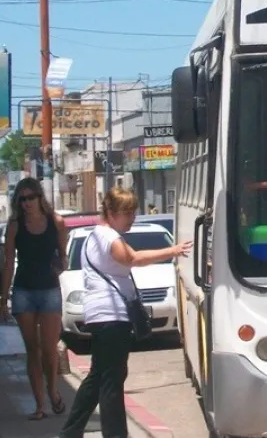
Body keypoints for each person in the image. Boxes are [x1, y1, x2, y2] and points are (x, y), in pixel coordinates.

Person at [60, 187, 193, 438]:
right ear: (110, 212)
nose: (132, 218)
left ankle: (70, 431)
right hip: (111, 316)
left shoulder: (97, 235)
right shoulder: (108, 237)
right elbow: (132, 259)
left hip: (102, 317)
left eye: (133, 212)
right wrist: (172, 250)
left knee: (99, 376)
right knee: (111, 380)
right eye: (127, 213)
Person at [0, 177, 69, 420]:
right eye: (22, 199)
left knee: (49, 349)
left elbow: (64, 256)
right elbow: (8, 262)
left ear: (40, 198)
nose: (26, 203)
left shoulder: (56, 222)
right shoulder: (15, 225)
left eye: (30, 198)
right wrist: (3, 298)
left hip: (49, 290)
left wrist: (60, 265)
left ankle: (52, 390)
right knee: (32, 349)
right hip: (23, 291)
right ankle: (39, 405)